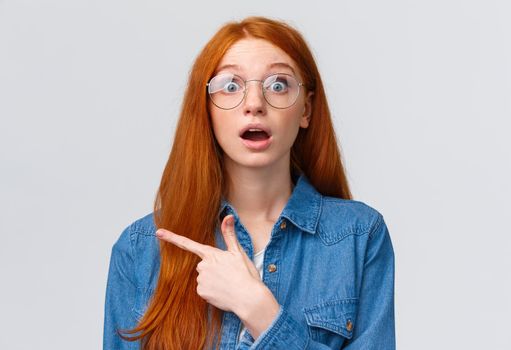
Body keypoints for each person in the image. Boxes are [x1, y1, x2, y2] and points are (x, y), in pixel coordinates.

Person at [103, 16, 395, 350]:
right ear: (207, 110)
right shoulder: (140, 249)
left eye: (278, 84)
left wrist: (259, 311)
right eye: (231, 86)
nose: (254, 104)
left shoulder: (358, 236)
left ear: (306, 110)